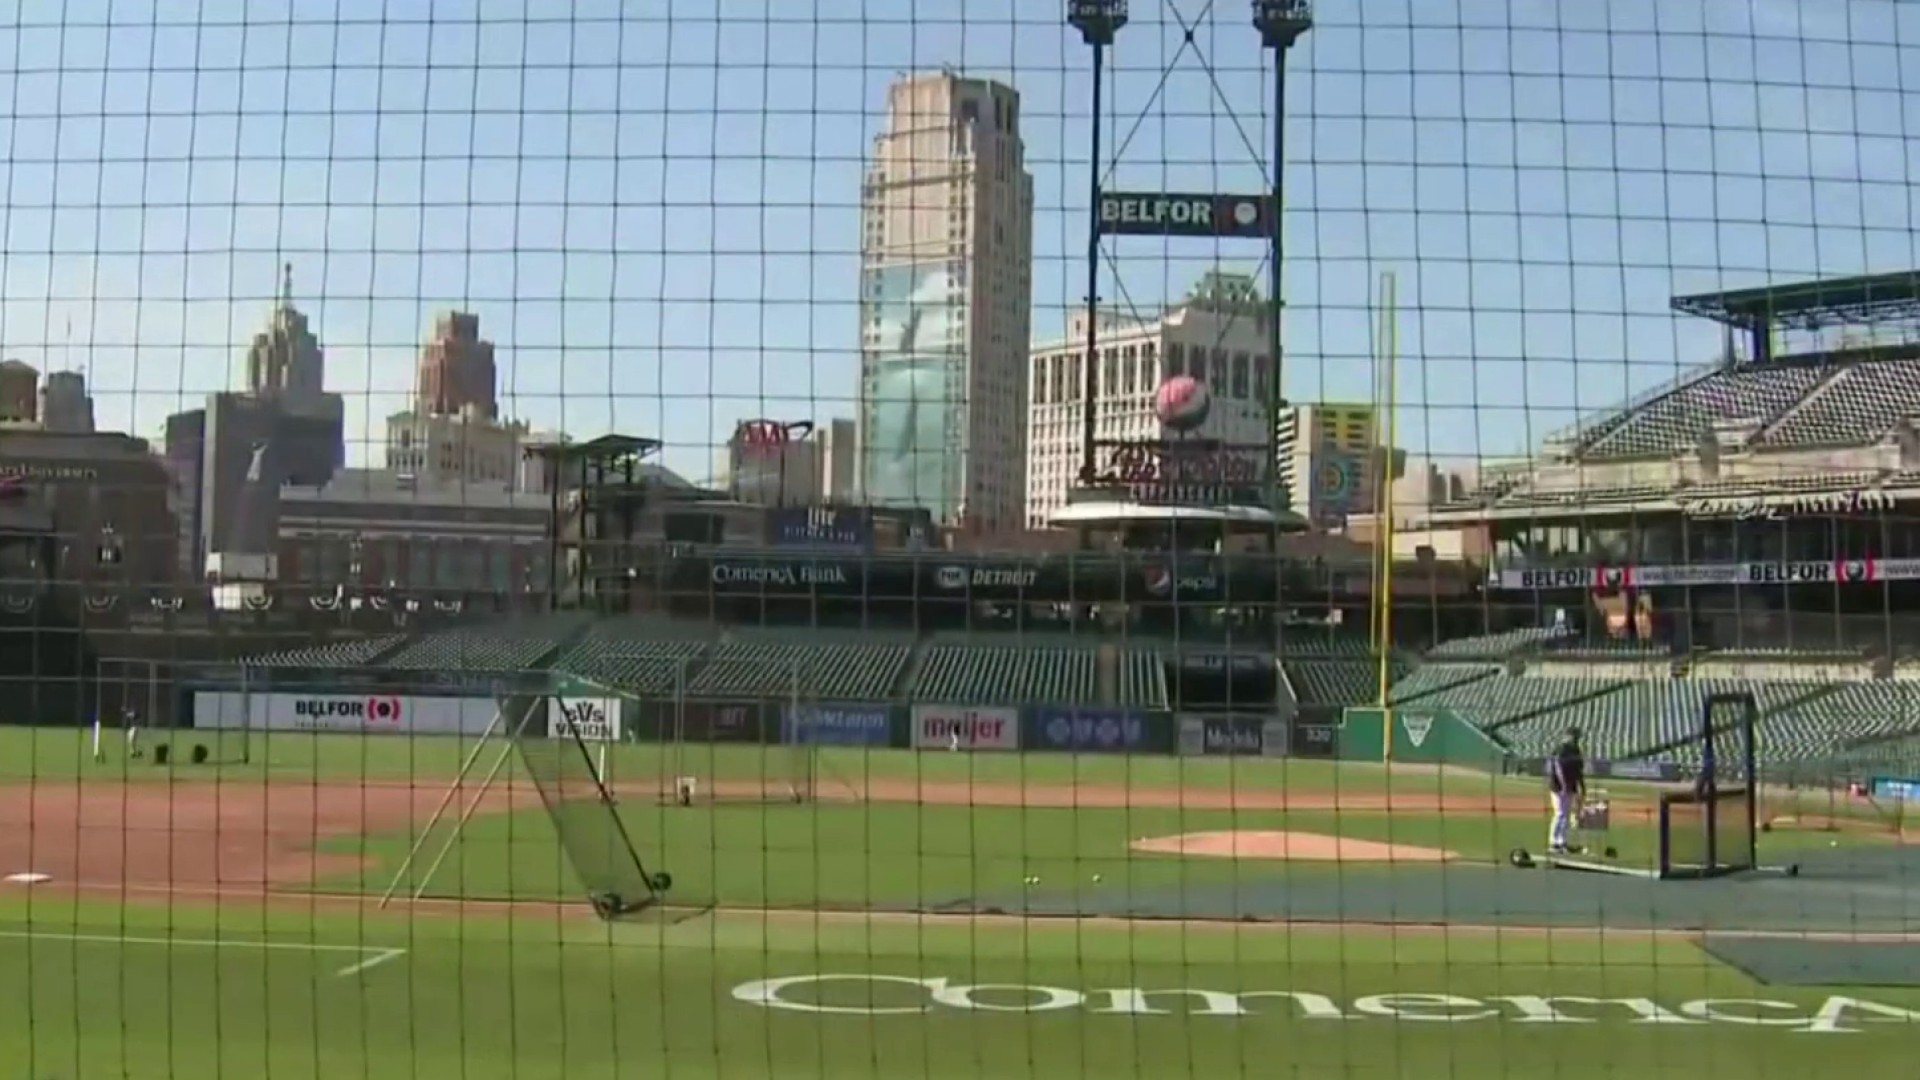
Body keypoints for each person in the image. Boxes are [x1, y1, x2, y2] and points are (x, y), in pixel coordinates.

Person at [1547, 725, 1585, 855]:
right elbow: (1558, 767)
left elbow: (1579, 771)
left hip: (1570, 786)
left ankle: (1562, 842)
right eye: (1575, 736)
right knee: (1560, 813)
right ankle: (1553, 842)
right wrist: (1563, 784)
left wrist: (1581, 786)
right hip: (1558, 787)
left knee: (1566, 815)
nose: (1576, 739)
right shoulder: (1561, 749)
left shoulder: (1576, 750)